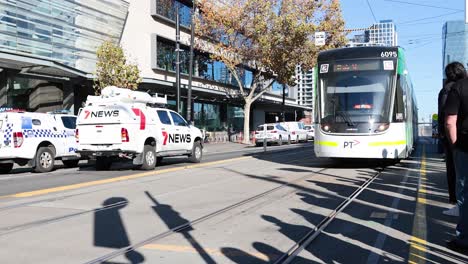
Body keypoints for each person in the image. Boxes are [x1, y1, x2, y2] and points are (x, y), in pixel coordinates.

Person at [439, 62, 467, 216]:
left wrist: (453, 144)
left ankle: (458, 206)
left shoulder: (450, 89)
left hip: (460, 141)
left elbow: (448, 121)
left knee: (459, 176)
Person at [445, 71, 468, 252]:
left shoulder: (459, 87)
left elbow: (450, 122)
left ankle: (464, 239)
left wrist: (455, 147)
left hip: (465, 148)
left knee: (465, 195)